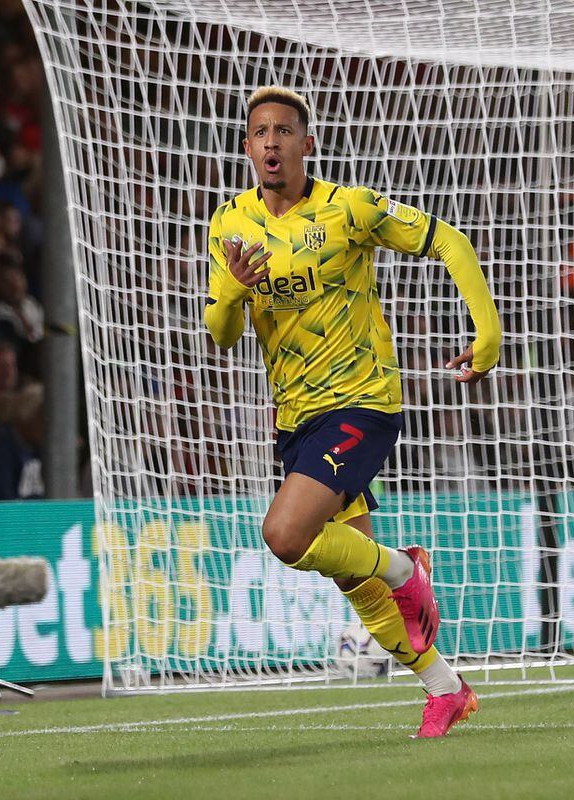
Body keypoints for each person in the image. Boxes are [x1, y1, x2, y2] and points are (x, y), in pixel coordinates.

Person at [204, 87, 501, 738]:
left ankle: (406, 568)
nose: (273, 141)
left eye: (285, 130)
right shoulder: (229, 225)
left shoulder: (351, 209)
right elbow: (221, 333)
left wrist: (489, 332)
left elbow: (447, 240)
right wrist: (232, 289)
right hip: (295, 415)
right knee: (353, 577)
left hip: (363, 402)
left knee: (285, 536)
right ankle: (446, 688)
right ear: (248, 147)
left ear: (307, 145)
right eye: (261, 132)